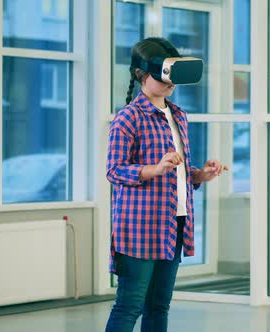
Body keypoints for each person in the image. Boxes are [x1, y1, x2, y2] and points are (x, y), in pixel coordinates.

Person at [105, 37, 228, 332]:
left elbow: (179, 172)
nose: (170, 81)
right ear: (141, 75)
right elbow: (114, 170)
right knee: (129, 305)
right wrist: (154, 169)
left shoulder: (178, 116)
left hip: (174, 222)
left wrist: (200, 175)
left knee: (159, 305)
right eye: (163, 73)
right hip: (139, 227)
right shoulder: (127, 119)